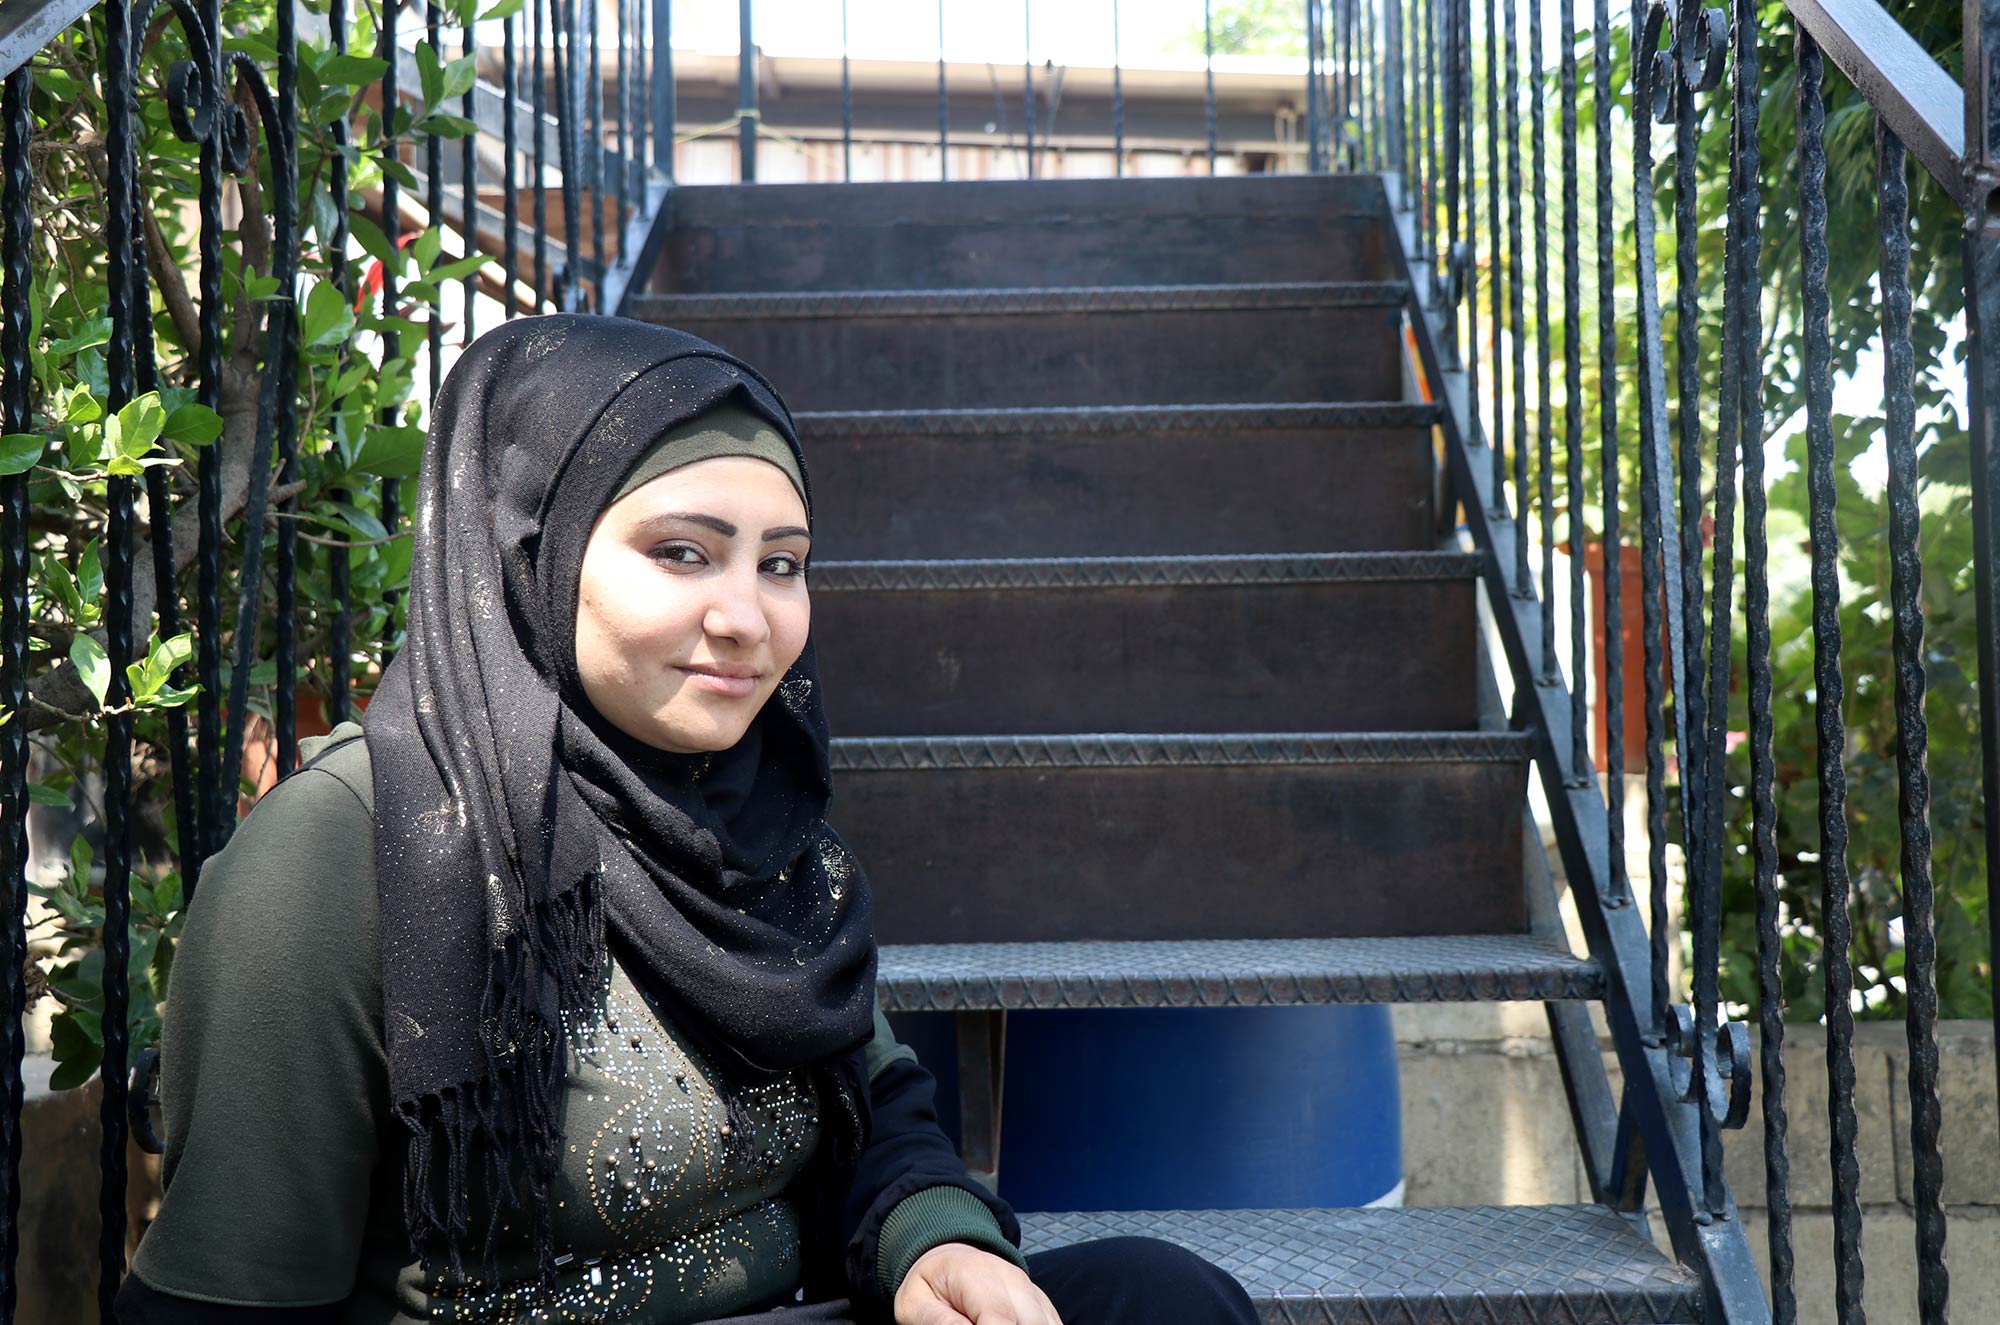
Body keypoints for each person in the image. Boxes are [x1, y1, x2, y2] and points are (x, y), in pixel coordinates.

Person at [115, 315, 1259, 1325]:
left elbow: (880, 1098)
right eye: (682, 552)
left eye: (783, 565)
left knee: (1160, 1295)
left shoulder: (749, 811)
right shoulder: (343, 851)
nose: (747, 618)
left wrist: (931, 1239)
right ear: (534, 554)